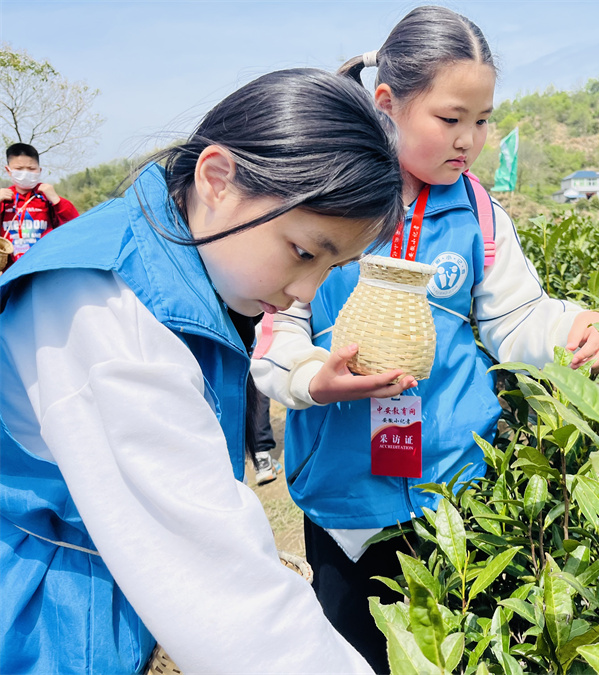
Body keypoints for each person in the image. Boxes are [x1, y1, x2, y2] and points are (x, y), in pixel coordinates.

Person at [0, 68, 404, 674]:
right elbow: (229, 602)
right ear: (217, 179)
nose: (305, 292)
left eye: (332, 266)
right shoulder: (108, 312)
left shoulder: (172, 266)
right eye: (303, 251)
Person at [250, 7, 599, 672]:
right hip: (345, 506)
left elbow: (515, 317)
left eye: (482, 120)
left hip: (451, 491)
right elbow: (279, 325)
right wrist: (312, 378)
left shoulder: (477, 210)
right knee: (356, 656)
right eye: (451, 119)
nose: (471, 139)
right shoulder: (326, 195)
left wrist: (570, 329)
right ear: (387, 104)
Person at [1, 142, 79, 270]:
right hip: (11, 269)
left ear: (39, 170)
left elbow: (74, 224)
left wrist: (56, 199)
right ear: (8, 170)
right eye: (19, 169)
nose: (25, 173)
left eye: (31, 169)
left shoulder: (46, 197)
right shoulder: (4, 198)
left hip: (44, 266)